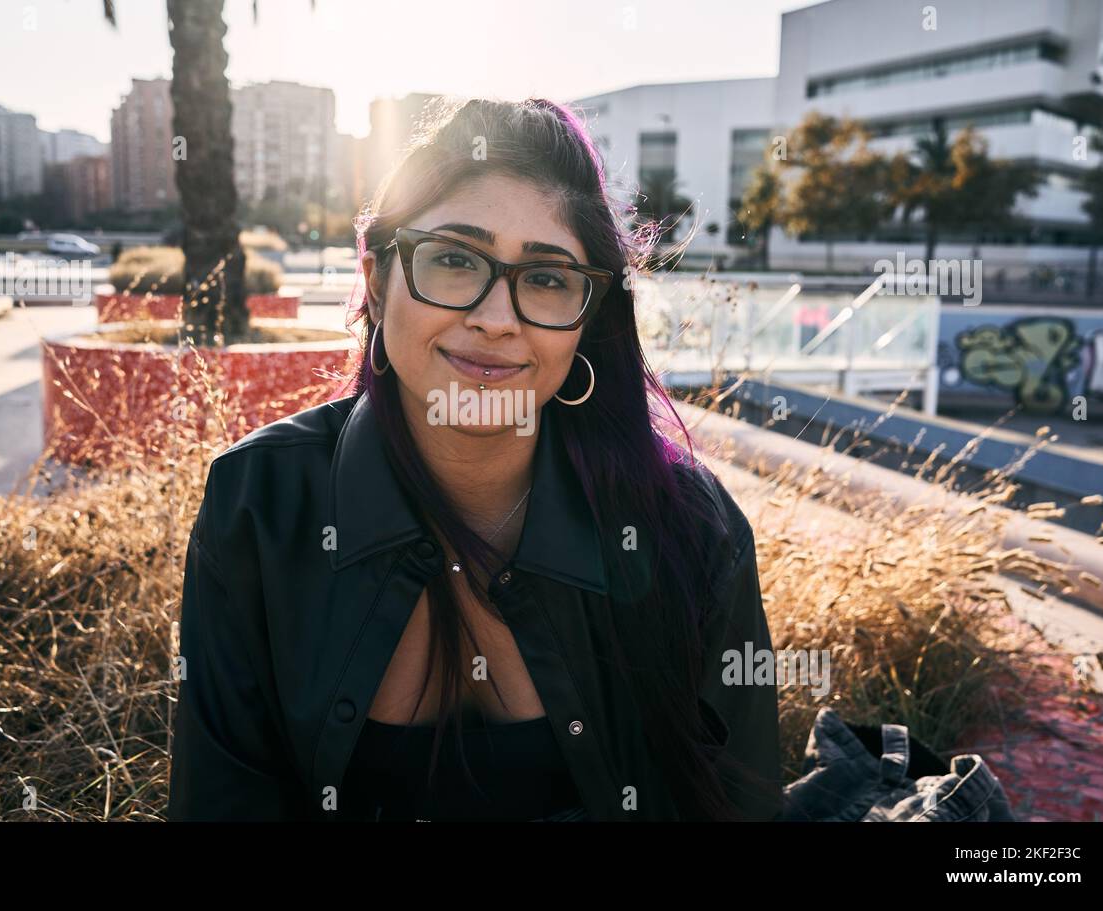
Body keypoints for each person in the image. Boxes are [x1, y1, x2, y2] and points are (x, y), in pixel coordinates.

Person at [167, 97, 782, 822]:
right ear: (375, 277)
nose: (496, 319)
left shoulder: (692, 528)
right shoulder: (260, 504)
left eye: (548, 278)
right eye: (455, 260)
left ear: (588, 319)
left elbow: (739, 809)